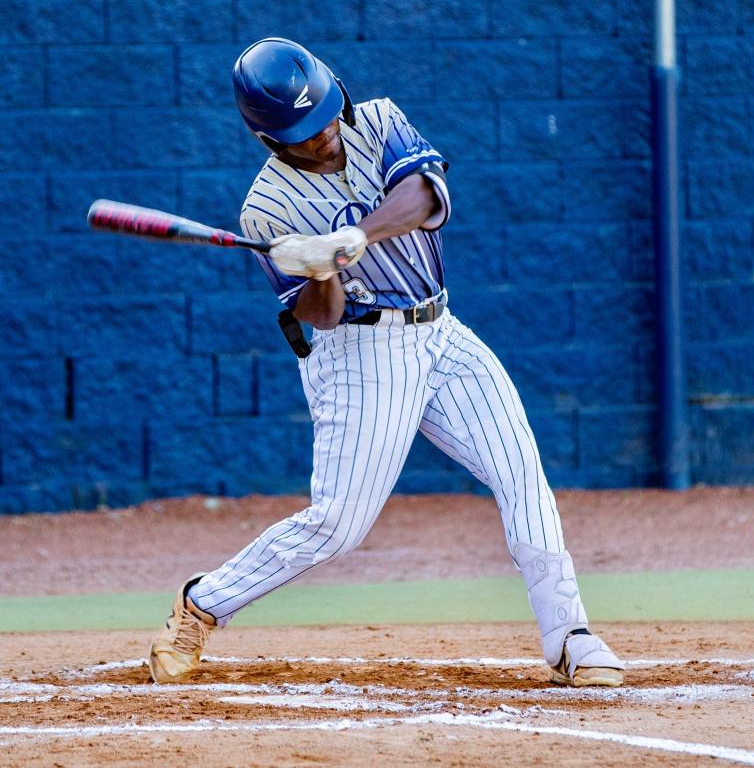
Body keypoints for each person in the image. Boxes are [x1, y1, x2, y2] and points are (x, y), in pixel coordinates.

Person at [148, 37, 624, 689]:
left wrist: (354, 237)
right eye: (305, 133)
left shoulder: (377, 119)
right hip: (362, 353)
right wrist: (320, 270)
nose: (324, 136)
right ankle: (201, 604)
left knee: (520, 471)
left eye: (324, 118)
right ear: (271, 138)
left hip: (442, 329)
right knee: (339, 525)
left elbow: (427, 198)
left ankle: (570, 634)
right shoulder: (267, 209)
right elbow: (320, 315)